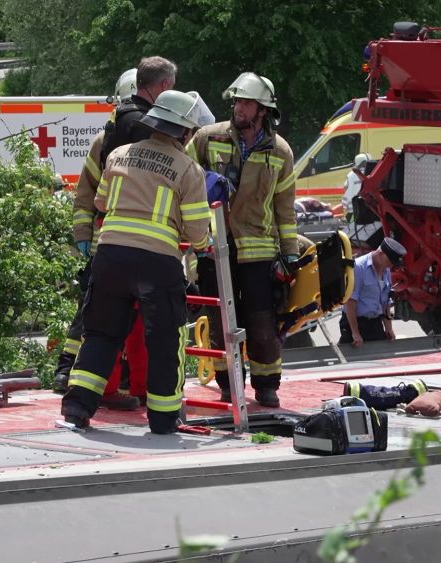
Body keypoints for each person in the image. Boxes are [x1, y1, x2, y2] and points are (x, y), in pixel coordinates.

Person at [60, 90, 211, 433]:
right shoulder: (188, 169)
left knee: (100, 333)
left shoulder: (119, 155)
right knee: (164, 339)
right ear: (185, 133)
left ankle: (77, 406)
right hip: (158, 262)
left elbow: (100, 203)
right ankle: (162, 418)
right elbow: (198, 230)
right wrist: (202, 246)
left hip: (110, 255)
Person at [53, 57, 178, 409]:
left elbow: (91, 192)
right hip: (139, 247)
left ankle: (90, 389)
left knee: (101, 323)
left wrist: (84, 233)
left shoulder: (110, 139)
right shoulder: (157, 143)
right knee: (124, 324)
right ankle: (117, 387)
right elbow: (89, 192)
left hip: (109, 245)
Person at [187, 72, 297, 408]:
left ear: (263, 109)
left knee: (262, 320)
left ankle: (267, 386)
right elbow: (183, 172)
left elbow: (284, 208)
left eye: (246, 103)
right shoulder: (209, 138)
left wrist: (290, 253)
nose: (239, 108)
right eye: (236, 101)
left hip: (259, 251)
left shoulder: (280, 151)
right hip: (213, 248)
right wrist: (206, 183)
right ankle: (228, 384)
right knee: (222, 321)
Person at [340, 237, 406, 347]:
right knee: (353, 360)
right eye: (390, 262)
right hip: (356, 323)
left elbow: (386, 301)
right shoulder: (358, 267)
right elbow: (350, 303)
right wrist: (355, 333)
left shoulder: (386, 269)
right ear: (380, 253)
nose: (391, 266)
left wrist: (389, 328)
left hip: (375, 322)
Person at [341, 153, 371, 220]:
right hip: (370, 208)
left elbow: (345, 187)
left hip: (354, 209)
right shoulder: (372, 172)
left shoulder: (351, 174)